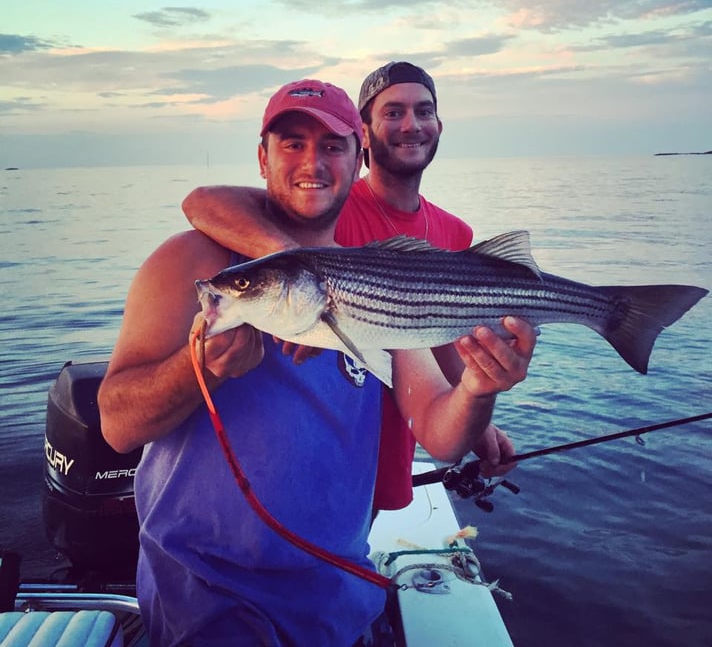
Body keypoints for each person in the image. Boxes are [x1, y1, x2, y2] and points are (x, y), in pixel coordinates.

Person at [98, 79, 536, 647]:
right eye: (292, 143)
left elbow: (441, 433)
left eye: (332, 146)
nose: (313, 161)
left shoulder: (379, 286)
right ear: (262, 157)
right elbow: (116, 426)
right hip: (208, 601)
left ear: (359, 162)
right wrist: (199, 367)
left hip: (338, 599)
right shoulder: (193, 261)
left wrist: (479, 388)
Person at [183, 62, 534, 512]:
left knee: (355, 544)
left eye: (423, 111)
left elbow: (440, 340)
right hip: (326, 449)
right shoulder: (327, 205)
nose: (410, 125)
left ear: (439, 125)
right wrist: (302, 272)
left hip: (399, 440)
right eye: (392, 113)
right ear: (363, 135)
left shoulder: (454, 231)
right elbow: (202, 202)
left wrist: (476, 410)